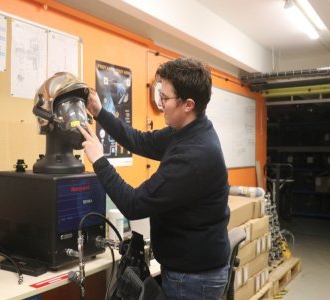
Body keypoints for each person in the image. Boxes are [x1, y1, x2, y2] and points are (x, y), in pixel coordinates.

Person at [77, 57, 230, 300]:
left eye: (166, 98)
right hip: (191, 267)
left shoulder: (193, 156)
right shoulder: (187, 130)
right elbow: (139, 140)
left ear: (188, 104)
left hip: (193, 278)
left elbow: (134, 204)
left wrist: (99, 160)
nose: (160, 103)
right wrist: (99, 112)